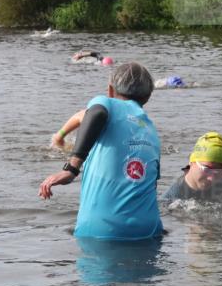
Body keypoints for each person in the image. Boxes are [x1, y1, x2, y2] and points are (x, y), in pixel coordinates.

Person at [39, 62, 162, 241]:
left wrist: (71, 169)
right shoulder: (151, 130)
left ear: (110, 90)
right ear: (148, 97)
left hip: (102, 230)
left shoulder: (106, 104)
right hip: (149, 229)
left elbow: (95, 113)